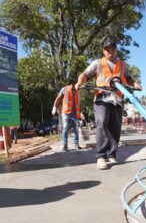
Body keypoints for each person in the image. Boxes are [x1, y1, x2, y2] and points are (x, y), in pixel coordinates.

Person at [75, 38, 141, 170]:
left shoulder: (122, 65)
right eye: (107, 50)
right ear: (103, 51)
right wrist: (79, 82)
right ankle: (101, 156)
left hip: (117, 99)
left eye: (113, 50)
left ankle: (112, 153)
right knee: (101, 122)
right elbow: (85, 74)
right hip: (102, 98)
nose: (110, 53)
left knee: (115, 127)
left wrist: (135, 84)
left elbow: (128, 78)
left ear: (116, 50)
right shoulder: (97, 63)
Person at [52, 78, 83, 151]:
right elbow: (58, 98)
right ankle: (65, 145)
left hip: (75, 114)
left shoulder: (78, 91)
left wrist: (81, 113)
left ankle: (76, 144)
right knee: (65, 128)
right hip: (65, 113)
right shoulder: (64, 89)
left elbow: (79, 103)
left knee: (76, 129)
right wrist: (54, 107)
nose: (77, 86)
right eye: (76, 84)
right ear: (72, 83)